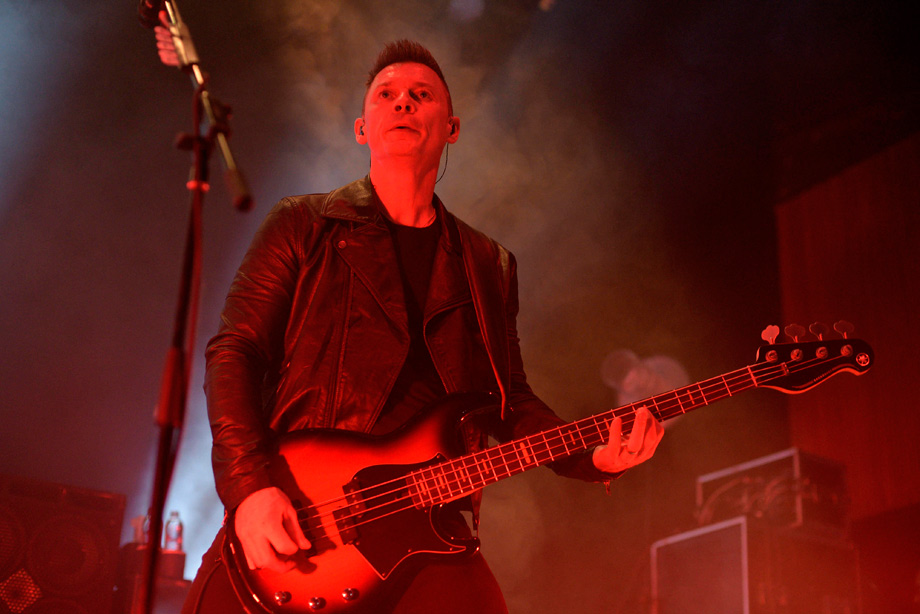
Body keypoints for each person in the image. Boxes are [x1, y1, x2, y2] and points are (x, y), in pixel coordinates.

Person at [175, 38, 664, 614]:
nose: (403, 102)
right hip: (307, 508)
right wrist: (250, 486)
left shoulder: (488, 264)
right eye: (386, 94)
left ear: (451, 128)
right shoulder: (304, 224)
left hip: (431, 521)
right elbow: (235, 351)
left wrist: (590, 457)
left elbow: (509, 400)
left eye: (421, 94)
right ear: (362, 128)